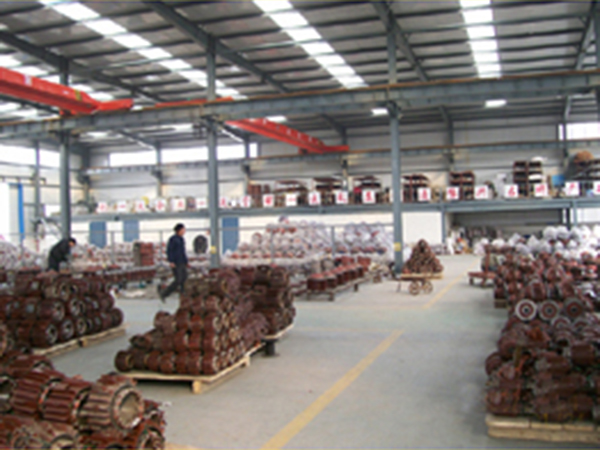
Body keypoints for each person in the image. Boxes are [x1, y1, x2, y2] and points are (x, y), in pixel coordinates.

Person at [159, 223, 188, 302]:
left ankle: (183, 295)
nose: (184, 231)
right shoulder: (173, 239)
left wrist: (186, 261)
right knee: (178, 279)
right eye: (183, 230)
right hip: (176, 263)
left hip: (182, 262)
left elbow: (183, 251)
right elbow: (169, 251)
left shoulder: (181, 239)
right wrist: (171, 261)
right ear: (179, 230)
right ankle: (164, 293)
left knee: (184, 278)